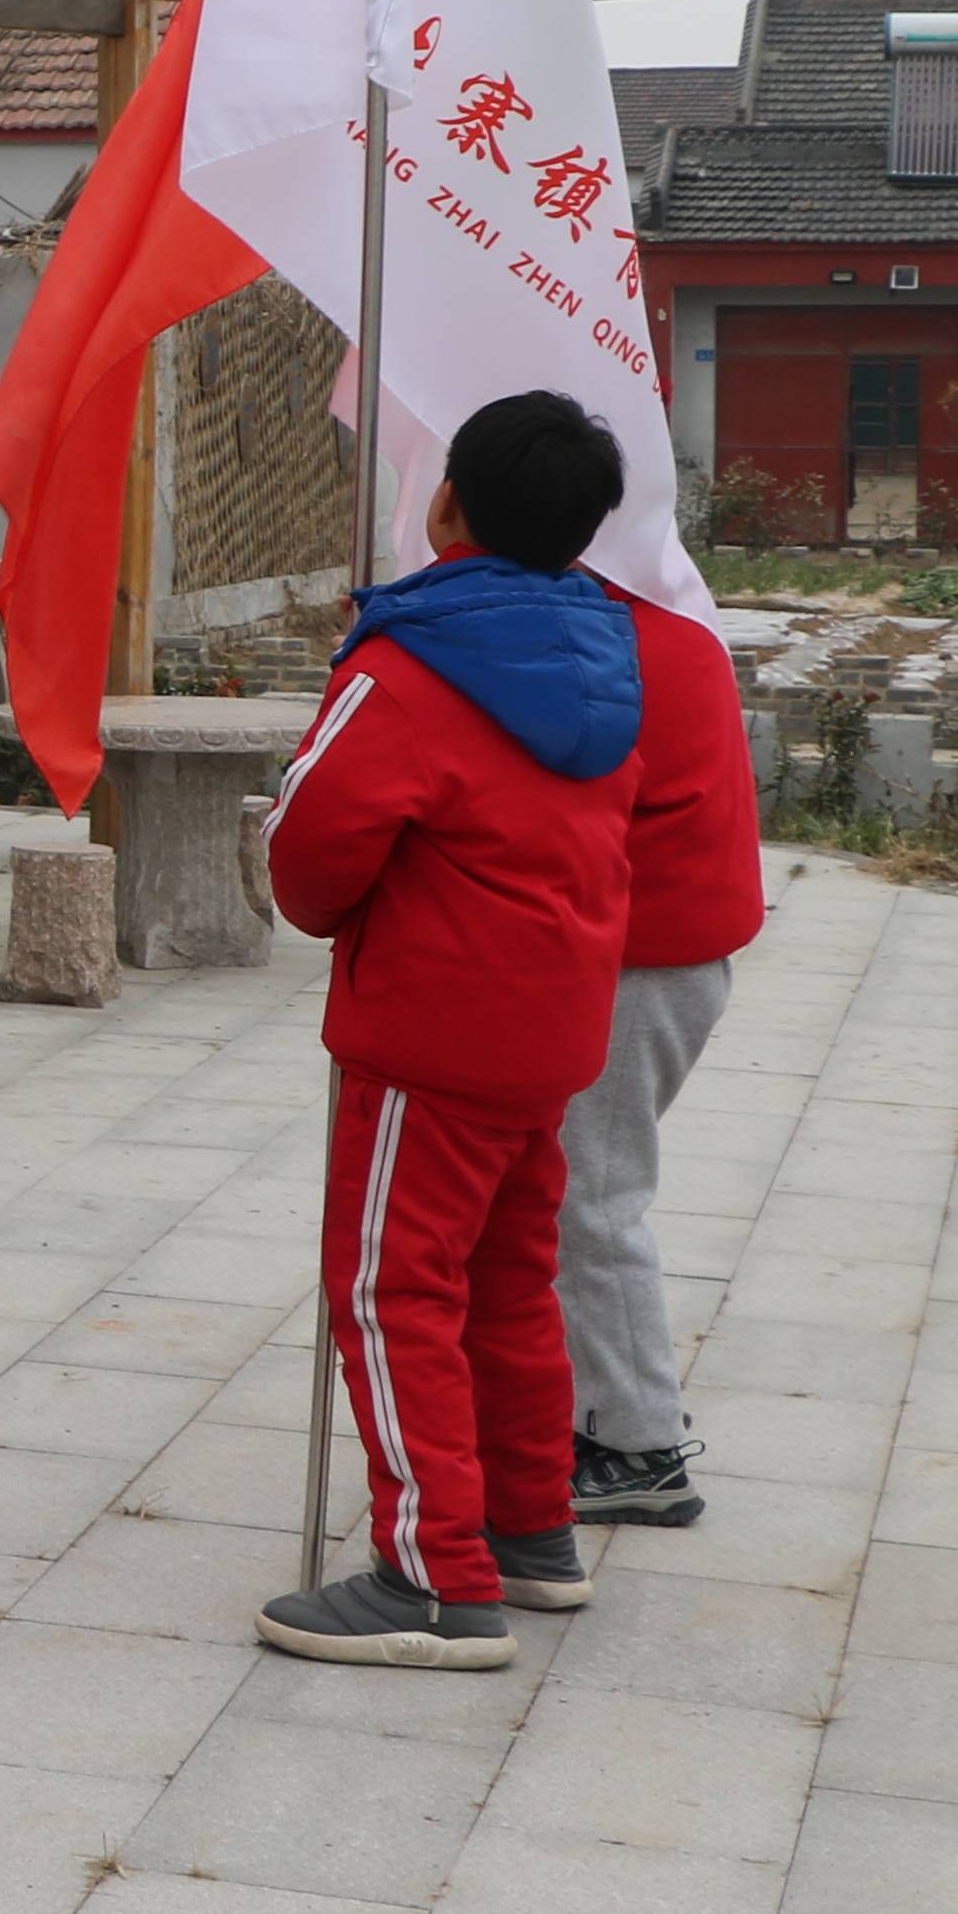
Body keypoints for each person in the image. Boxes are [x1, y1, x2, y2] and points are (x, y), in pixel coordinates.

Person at [256, 392, 647, 1670]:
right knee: (504, 1278)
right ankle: (531, 1528)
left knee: (388, 1289)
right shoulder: (608, 651)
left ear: (444, 506)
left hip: (434, 1031)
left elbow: (310, 856)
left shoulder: (411, 661)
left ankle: (432, 1574)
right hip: (553, 1028)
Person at [562, 555, 764, 1528]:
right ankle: (593, 1402)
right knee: (585, 1191)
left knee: (592, 1199)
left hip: (646, 958)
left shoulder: (607, 639)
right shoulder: (674, 625)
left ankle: (637, 1444)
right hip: (680, 951)